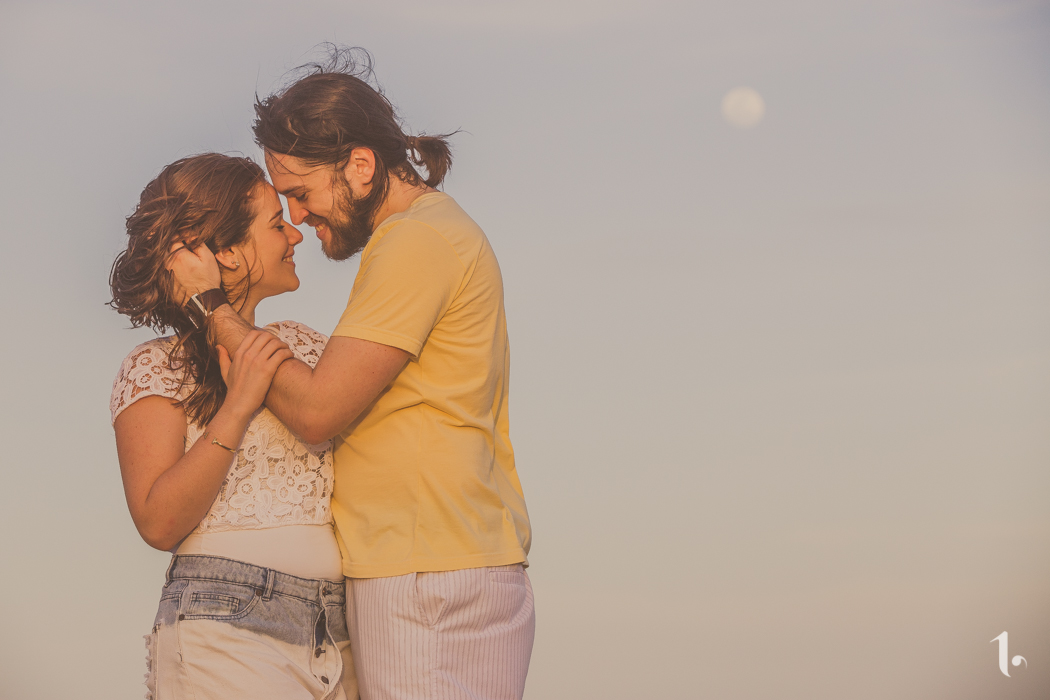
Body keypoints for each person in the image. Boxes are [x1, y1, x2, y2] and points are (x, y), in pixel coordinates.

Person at [169, 49, 534, 700]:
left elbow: (318, 411)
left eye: (301, 196)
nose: (301, 219)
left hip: (422, 569)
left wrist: (211, 308)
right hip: (447, 558)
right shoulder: (436, 234)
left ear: (361, 166)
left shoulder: (414, 242)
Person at [109, 153, 357, 700]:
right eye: (274, 224)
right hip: (224, 627)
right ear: (221, 251)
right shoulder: (156, 366)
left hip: (339, 633)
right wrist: (239, 403)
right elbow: (159, 522)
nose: (295, 233)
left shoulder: (309, 348)